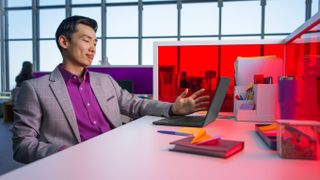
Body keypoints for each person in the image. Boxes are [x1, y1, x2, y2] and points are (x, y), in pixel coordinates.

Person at [12, 15, 209, 164]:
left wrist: (173, 109)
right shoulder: (35, 89)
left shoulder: (104, 81)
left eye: (95, 42)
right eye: (86, 40)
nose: (93, 48)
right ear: (64, 42)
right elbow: (22, 145)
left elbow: (136, 105)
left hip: (119, 156)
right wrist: (64, 153)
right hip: (78, 165)